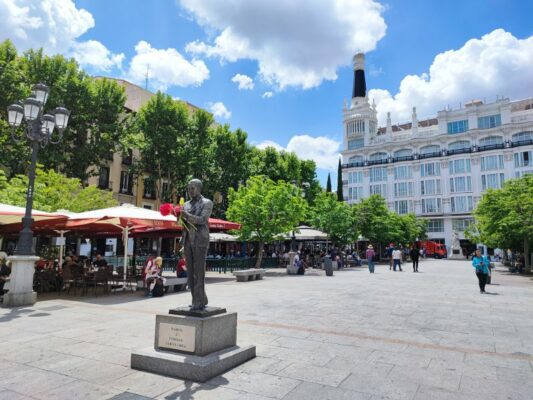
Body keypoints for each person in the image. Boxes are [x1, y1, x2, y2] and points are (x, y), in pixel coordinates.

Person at [181, 179, 213, 310]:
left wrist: (186, 216)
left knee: (198, 271)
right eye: (189, 188)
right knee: (190, 272)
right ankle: (198, 298)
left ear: (199, 188)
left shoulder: (207, 203)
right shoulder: (186, 204)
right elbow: (184, 223)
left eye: (192, 188)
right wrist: (179, 217)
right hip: (188, 239)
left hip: (200, 239)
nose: (190, 191)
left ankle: (198, 301)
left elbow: (202, 220)